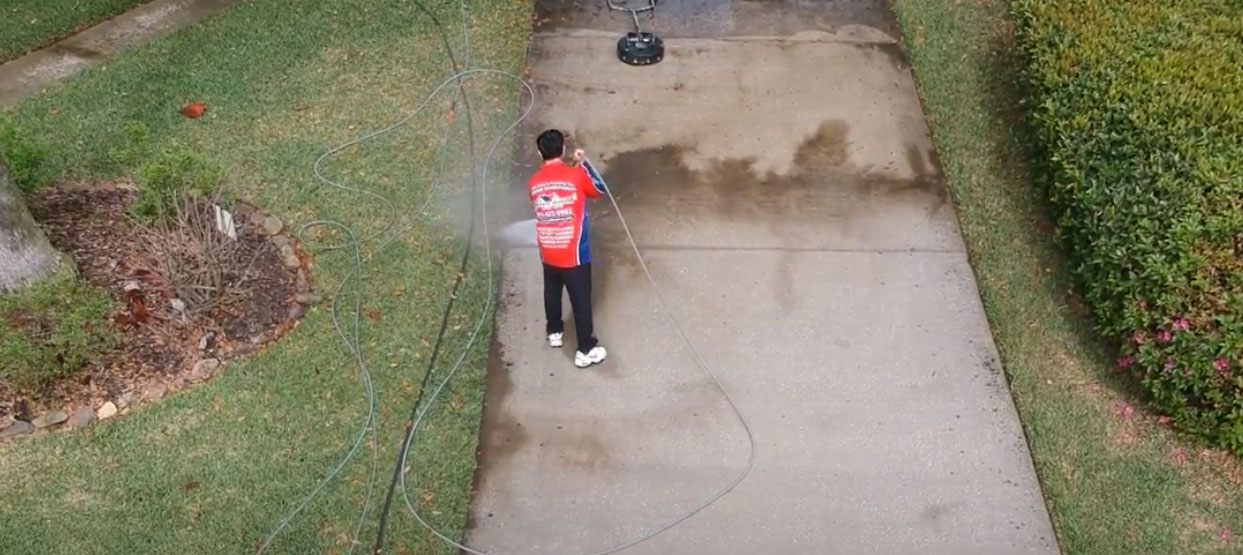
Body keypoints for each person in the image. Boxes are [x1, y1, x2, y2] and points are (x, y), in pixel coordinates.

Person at [528, 129, 608, 368]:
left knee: (552, 291)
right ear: (563, 150)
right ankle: (586, 349)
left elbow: (553, 189)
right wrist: (584, 165)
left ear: (539, 153)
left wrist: (574, 169)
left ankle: (554, 332)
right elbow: (598, 189)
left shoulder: (534, 184)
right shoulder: (576, 176)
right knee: (581, 301)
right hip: (573, 254)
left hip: (548, 250)